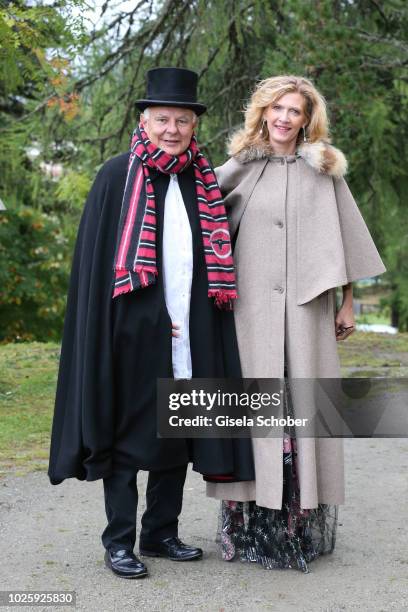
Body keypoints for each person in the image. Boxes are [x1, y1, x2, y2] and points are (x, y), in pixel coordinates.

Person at [48, 67, 254, 579]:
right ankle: (119, 541)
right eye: (162, 118)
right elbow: (97, 270)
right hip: (130, 331)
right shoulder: (116, 176)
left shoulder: (202, 180)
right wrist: (127, 325)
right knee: (124, 435)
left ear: (193, 126)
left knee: (177, 434)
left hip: (192, 326)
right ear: (144, 121)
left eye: (182, 120)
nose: (171, 129)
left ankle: (161, 532)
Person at [206, 75, 386, 572]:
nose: (285, 118)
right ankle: (245, 526)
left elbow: (349, 242)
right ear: (263, 112)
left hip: (308, 312)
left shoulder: (325, 171)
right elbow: (202, 223)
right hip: (250, 314)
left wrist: (349, 302)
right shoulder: (239, 167)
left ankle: (293, 528)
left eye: (295, 111)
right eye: (277, 108)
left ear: (308, 119)